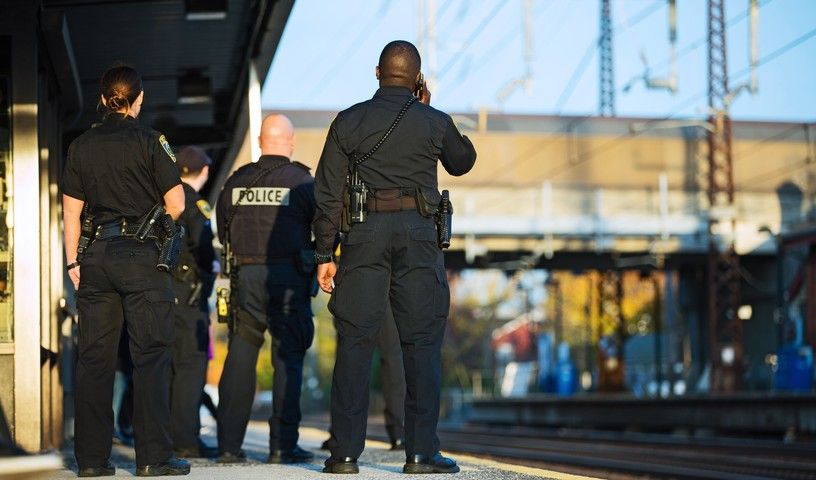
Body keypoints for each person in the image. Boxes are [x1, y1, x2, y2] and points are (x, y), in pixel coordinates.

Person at [313, 40, 477, 474]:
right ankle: (421, 454)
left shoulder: (348, 121)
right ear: (418, 78)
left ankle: (344, 456)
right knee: (421, 342)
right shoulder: (433, 121)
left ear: (377, 72)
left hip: (364, 235)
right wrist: (431, 110)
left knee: (355, 342)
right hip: (418, 237)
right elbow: (462, 163)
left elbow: (327, 193)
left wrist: (325, 252)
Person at [62, 65, 190, 477]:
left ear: (102, 99)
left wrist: (72, 261)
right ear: (138, 99)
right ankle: (153, 459)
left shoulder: (80, 145)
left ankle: (92, 462)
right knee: (150, 356)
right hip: (142, 258)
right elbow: (177, 204)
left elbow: (70, 212)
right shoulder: (153, 142)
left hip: (95, 256)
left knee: (94, 360)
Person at [215, 114, 316, 465]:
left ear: (260, 141)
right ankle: (282, 446)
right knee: (288, 358)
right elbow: (322, 230)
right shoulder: (303, 183)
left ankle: (228, 446)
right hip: (288, 277)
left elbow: (222, 230)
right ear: (289, 142)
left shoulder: (235, 182)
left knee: (241, 355)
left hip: (245, 276)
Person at [170, 146, 218, 458]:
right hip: (189, 295)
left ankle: (167, 438)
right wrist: (212, 264)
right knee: (190, 367)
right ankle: (186, 441)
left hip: (164, 292)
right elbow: (203, 247)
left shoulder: (166, 196)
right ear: (204, 172)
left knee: (167, 369)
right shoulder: (196, 204)